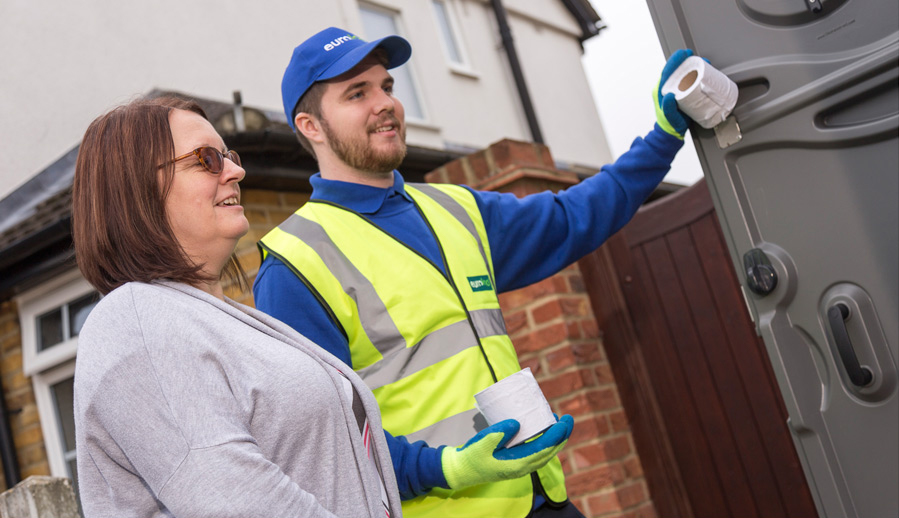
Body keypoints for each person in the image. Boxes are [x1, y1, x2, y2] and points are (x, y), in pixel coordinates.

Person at [254, 26, 698, 518]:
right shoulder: (295, 265)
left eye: (387, 87)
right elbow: (327, 446)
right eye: (357, 93)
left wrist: (662, 138)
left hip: (544, 500)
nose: (385, 103)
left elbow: (573, 218)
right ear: (311, 126)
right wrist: (450, 469)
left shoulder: (456, 209)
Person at [71, 96, 406, 517]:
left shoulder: (217, 317)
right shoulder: (135, 322)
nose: (236, 170)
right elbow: (239, 501)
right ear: (136, 188)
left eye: (229, 155)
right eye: (207, 159)